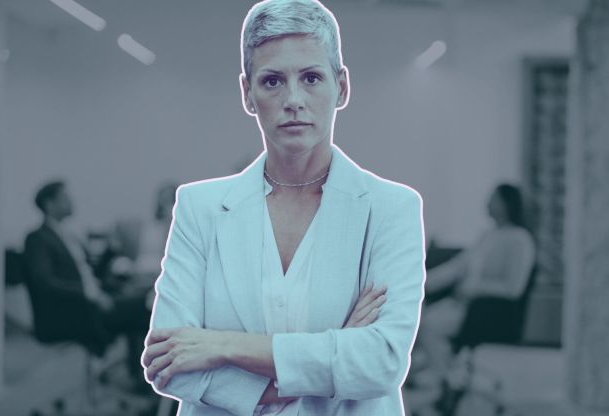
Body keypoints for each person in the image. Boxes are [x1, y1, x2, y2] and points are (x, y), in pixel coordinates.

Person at [140, 1, 426, 414]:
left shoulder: (391, 208)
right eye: (272, 81)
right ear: (247, 94)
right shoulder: (198, 207)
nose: (293, 99)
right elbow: (169, 363)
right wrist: (331, 356)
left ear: (341, 87)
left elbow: (380, 361)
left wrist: (222, 345)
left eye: (311, 77)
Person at [411, 183, 535, 415]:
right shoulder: (488, 236)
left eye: (494, 199)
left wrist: (475, 289)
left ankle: (448, 382)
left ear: (507, 204)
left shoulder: (520, 240)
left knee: (427, 326)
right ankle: (449, 379)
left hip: (490, 311)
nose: (487, 202)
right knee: (419, 319)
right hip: (466, 306)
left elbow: (513, 288)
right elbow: (458, 268)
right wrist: (419, 282)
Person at [23, 180, 152, 383]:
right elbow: (44, 283)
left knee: (147, 304)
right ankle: (147, 384)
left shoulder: (69, 235)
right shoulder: (37, 239)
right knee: (148, 309)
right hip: (70, 315)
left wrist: (111, 250)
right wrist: (90, 295)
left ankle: (141, 380)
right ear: (49, 204)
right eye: (64, 198)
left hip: (89, 306)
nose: (71, 201)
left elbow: (92, 276)